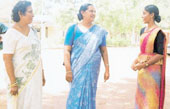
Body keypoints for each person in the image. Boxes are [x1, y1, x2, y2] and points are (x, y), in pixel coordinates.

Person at [64, 3, 110, 109]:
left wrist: (107, 68)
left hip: (93, 69)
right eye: (91, 11)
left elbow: (104, 51)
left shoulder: (99, 31)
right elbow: (66, 50)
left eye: (94, 11)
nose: (93, 13)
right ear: (83, 12)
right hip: (77, 68)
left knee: (90, 92)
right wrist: (68, 70)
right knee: (75, 92)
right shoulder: (73, 29)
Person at [3, 1, 45, 109]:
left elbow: (37, 53)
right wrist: (13, 83)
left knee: (34, 104)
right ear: (21, 13)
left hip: (35, 77)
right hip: (19, 79)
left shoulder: (33, 31)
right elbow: (7, 59)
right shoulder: (11, 33)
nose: (33, 15)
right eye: (30, 12)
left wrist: (42, 73)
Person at [131, 5, 167, 109]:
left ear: (152, 15)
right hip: (142, 71)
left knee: (151, 98)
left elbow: (160, 54)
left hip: (153, 71)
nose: (142, 16)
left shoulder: (158, 32)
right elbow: (142, 52)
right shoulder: (143, 30)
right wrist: (135, 61)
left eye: (144, 13)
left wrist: (144, 64)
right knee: (141, 97)